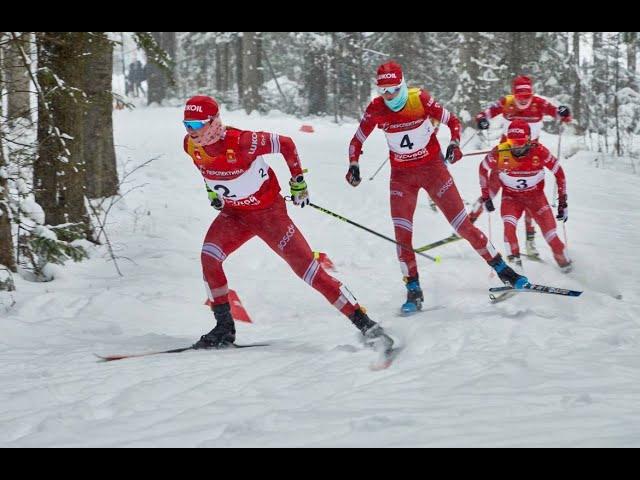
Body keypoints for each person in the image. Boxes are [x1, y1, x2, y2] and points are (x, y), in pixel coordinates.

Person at [182, 95, 393, 350]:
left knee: (309, 272)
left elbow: (286, 144)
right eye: (186, 125)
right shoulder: (191, 146)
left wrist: (298, 183)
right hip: (233, 216)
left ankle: (367, 325)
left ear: (214, 123)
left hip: (269, 216)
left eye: (196, 125)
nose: (191, 132)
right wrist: (213, 193)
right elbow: (205, 171)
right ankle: (224, 328)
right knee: (209, 257)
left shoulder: (243, 141)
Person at [346, 61, 528, 314]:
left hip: (434, 172)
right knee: (402, 236)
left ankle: (504, 271)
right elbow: (356, 141)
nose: (388, 96)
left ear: (402, 85)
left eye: (393, 89)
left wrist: (454, 144)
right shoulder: (376, 109)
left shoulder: (419, 99)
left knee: (463, 225)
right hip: (402, 178)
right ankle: (414, 290)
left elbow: (453, 121)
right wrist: (353, 164)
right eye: (383, 90)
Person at [473, 75, 572, 258]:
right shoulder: (507, 102)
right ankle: (470, 221)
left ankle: (529, 239)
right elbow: (485, 113)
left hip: (530, 152)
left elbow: (560, 114)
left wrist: (564, 113)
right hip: (506, 153)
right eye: (519, 95)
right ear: (513, 94)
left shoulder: (539, 103)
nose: (523, 99)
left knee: (528, 195)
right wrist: (481, 120)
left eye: (526, 94)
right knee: (494, 189)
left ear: (531, 93)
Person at [479, 120, 571, 272]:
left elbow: (559, 173)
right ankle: (515, 273)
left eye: (520, 142)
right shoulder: (500, 152)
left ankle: (568, 267)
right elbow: (482, 169)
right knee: (509, 228)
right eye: (512, 142)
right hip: (511, 198)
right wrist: (486, 196)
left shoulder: (540, 152)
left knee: (551, 236)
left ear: (528, 140)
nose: (515, 146)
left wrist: (562, 203)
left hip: (536, 198)